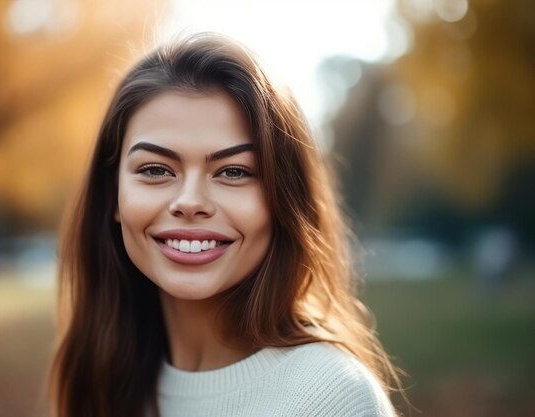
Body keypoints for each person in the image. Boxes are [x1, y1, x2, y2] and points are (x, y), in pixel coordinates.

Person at [49, 33, 401, 417]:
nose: (190, 202)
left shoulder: (331, 398)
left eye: (233, 171)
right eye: (155, 169)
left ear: (283, 198)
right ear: (112, 195)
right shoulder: (106, 382)